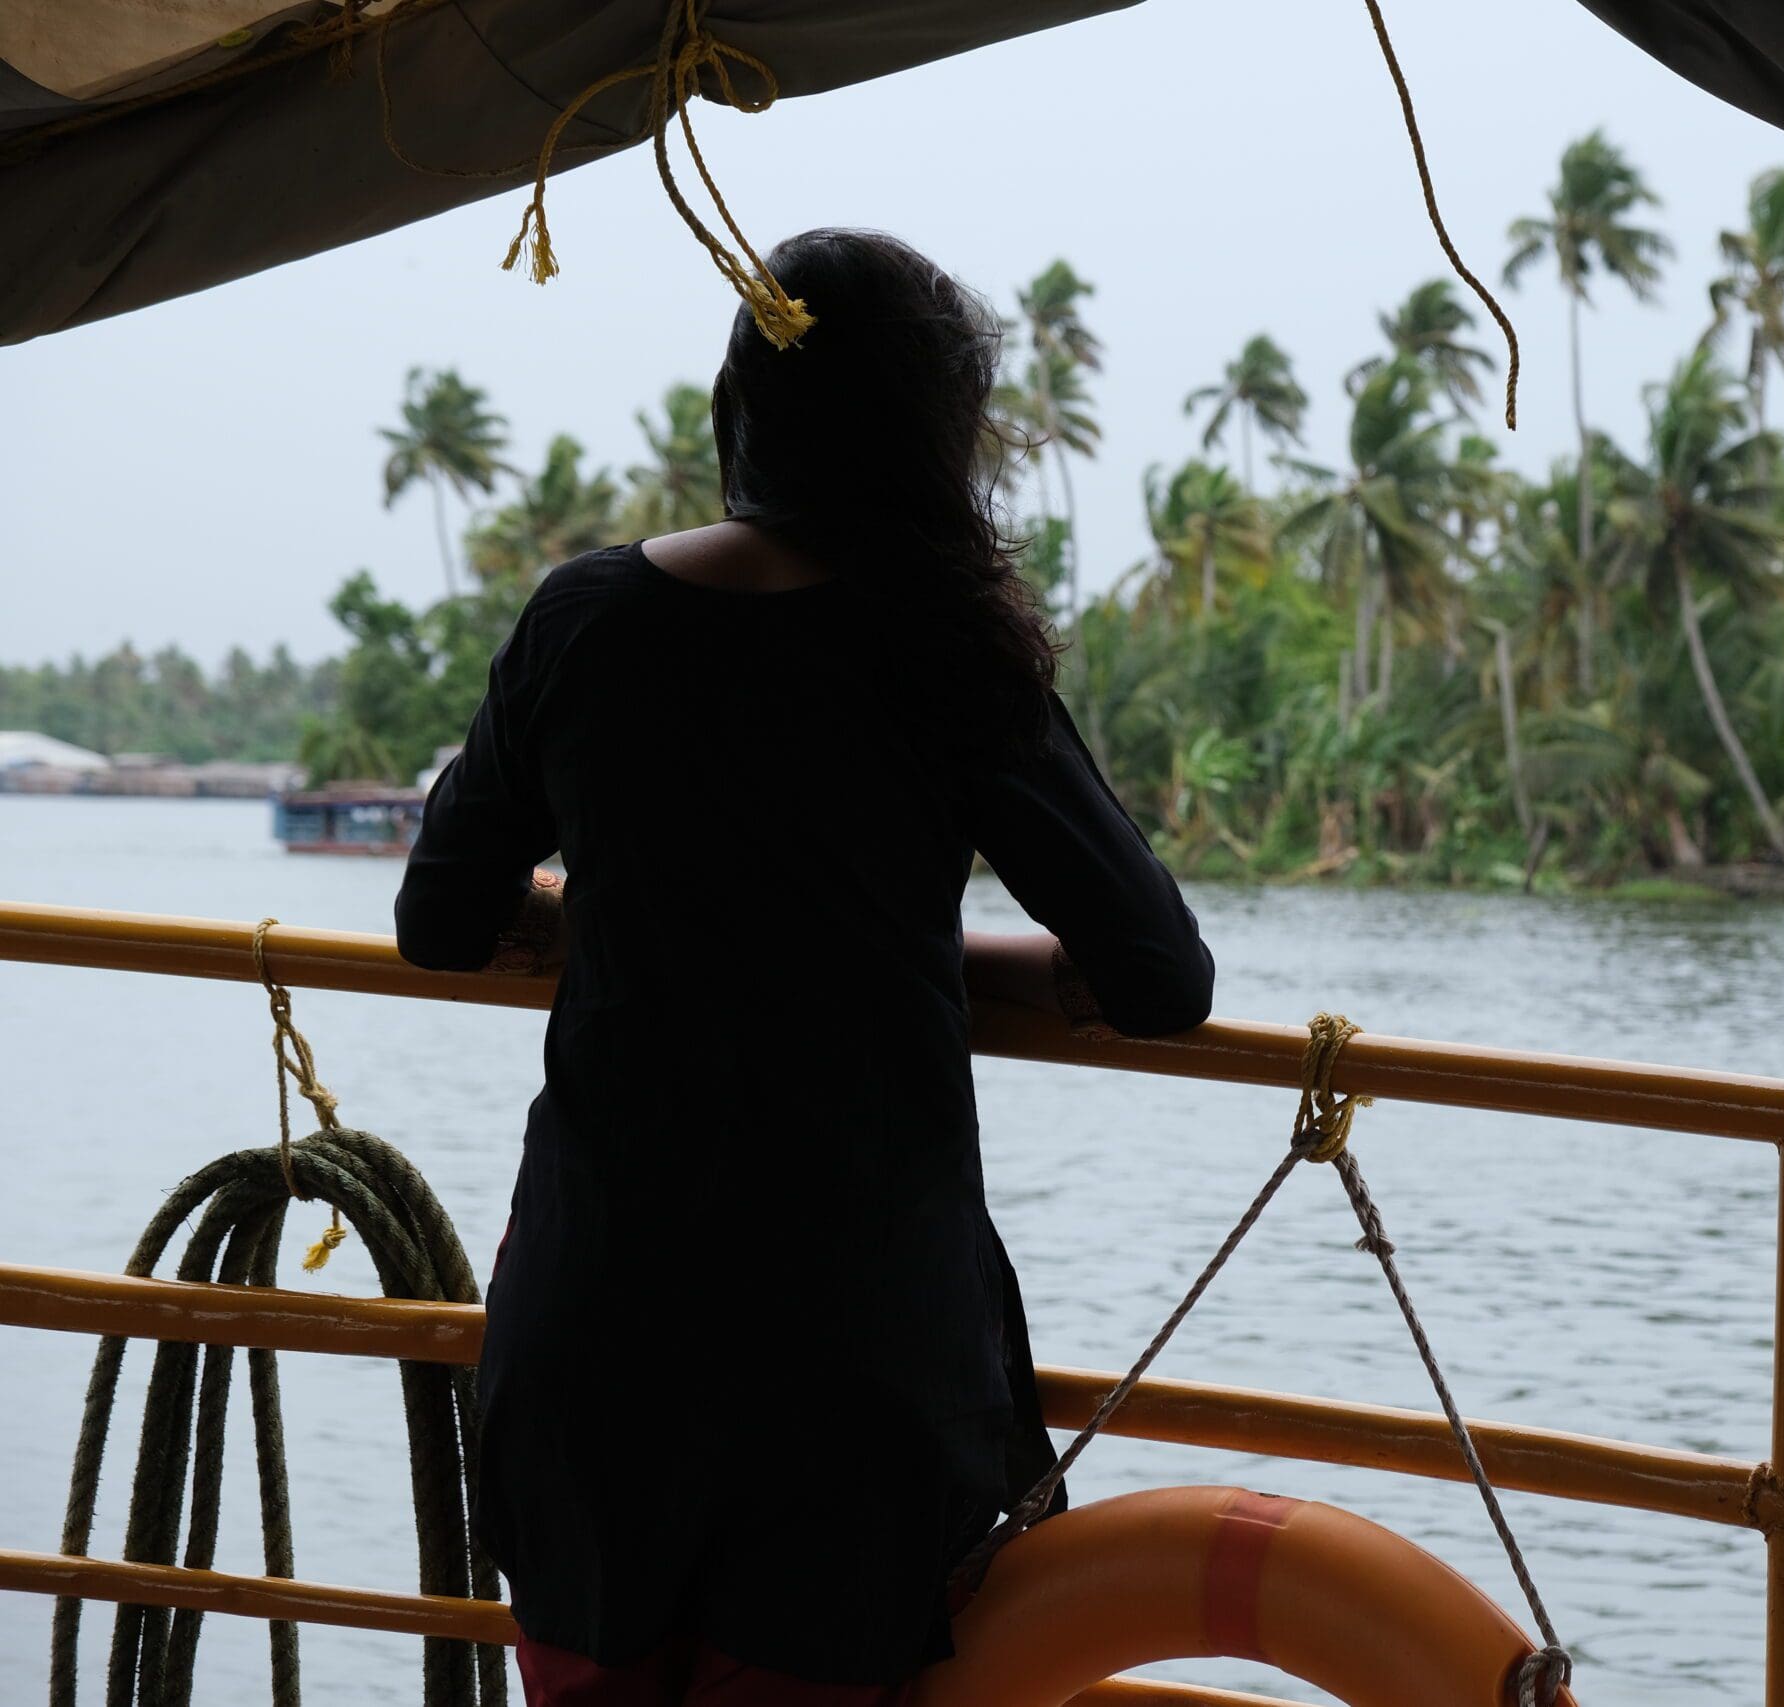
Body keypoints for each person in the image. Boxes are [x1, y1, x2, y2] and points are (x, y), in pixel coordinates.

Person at [393, 229, 1215, 1706]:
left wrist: (645, 906)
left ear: (737, 414)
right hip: (852, 1369)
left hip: (599, 1348)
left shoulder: (585, 621)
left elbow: (442, 919)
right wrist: (949, 958)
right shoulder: (944, 646)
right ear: (937, 443)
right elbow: (1157, 974)